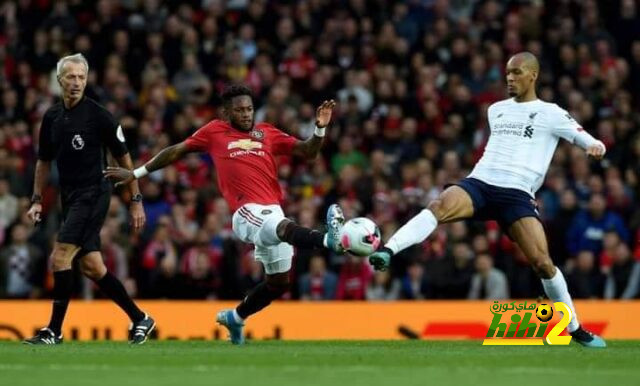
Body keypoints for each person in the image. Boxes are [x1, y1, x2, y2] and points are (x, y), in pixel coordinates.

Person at [368, 52, 607, 348]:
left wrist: (595, 146)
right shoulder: (496, 110)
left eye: (517, 72)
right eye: (507, 72)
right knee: (438, 206)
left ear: (533, 75)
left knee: (543, 264)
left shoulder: (551, 113)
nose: (510, 78)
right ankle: (389, 251)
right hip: (480, 183)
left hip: (517, 194)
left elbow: (584, 136)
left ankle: (573, 327)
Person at [104, 84, 345, 344]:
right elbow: (176, 150)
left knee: (279, 283)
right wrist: (136, 173)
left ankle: (236, 317)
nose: (246, 114)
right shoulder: (214, 131)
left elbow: (308, 152)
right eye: (239, 110)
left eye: (249, 109)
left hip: (273, 209)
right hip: (246, 212)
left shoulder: (266, 132)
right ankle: (327, 240)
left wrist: (320, 128)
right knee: (283, 227)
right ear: (226, 113)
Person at [24, 54, 154, 345]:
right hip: (69, 198)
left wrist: (135, 199)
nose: (76, 83)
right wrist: (36, 200)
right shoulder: (52, 117)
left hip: (94, 193)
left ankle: (54, 331)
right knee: (92, 266)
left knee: (60, 256)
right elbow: (43, 161)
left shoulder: (99, 116)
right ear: (59, 80)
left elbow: (124, 157)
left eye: (81, 77)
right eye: (70, 77)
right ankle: (140, 318)